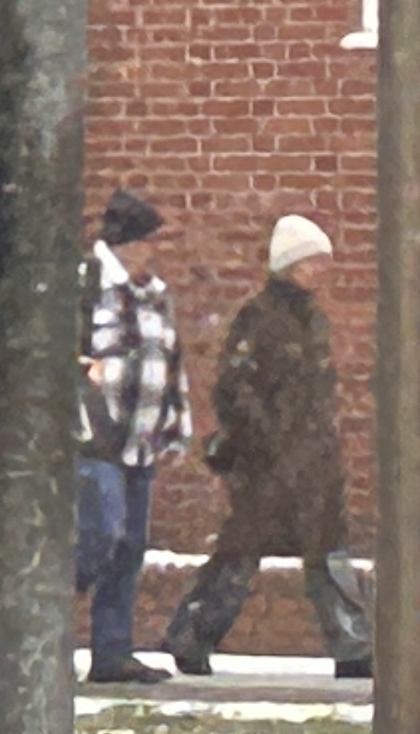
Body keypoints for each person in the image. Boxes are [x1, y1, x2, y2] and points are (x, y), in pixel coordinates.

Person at [165, 214, 373, 679]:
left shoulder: (312, 320)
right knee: (240, 554)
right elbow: (234, 390)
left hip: (313, 463)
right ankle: (192, 634)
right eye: (311, 261)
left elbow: (318, 397)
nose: (319, 271)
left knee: (329, 555)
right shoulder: (257, 319)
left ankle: (353, 647)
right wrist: (263, 443)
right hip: (266, 465)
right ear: (290, 264)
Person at [76, 185, 191, 686]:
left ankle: (112, 650)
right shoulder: (87, 286)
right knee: (101, 532)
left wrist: (176, 426)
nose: (153, 253)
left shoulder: (156, 296)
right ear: (127, 243)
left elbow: (170, 363)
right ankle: (40, 612)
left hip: (139, 443)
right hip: (93, 437)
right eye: (148, 243)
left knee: (129, 548)